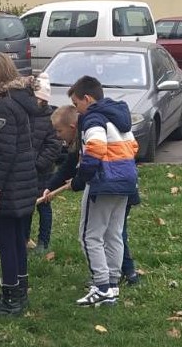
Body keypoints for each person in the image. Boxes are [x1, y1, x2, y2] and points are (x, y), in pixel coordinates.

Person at [44, 76, 138, 307]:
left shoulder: (93, 118)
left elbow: (95, 150)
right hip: (126, 181)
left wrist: (80, 180)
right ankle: (113, 284)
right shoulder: (116, 117)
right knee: (114, 233)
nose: (77, 110)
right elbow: (133, 147)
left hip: (104, 183)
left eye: (76, 104)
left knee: (89, 235)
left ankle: (102, 286)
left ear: (86, 99)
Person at [0, 54, 39, 316]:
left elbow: (4, 152)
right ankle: (20, 291)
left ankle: (10, 297)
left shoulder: (4, 107)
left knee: (7, 242)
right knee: (17, 239)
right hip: (24, 182)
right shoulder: (23, 101)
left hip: (10, 186)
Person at [26, 74, 62, 254]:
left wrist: (39, 164)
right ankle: (24, 237)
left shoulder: (51, 119)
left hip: (43, 172)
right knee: (26, 207)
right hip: (26, 171)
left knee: (44, 206)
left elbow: (53, 146)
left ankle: (43, 241)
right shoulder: (25, 115)